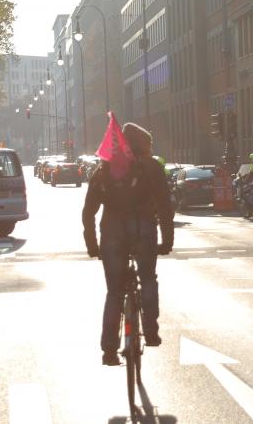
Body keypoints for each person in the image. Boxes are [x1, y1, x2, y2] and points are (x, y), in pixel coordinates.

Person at [82, 122, 174, 366]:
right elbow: (165, 206)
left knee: (114, 291)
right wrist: (167, 240)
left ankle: (109, 350)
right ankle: (151, 331)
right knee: (147, 279)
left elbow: (88, 212)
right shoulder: (151, 168)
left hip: (111, 234)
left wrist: (92, 245)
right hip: (142, 230)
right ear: (144, 145)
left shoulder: (104, 170)